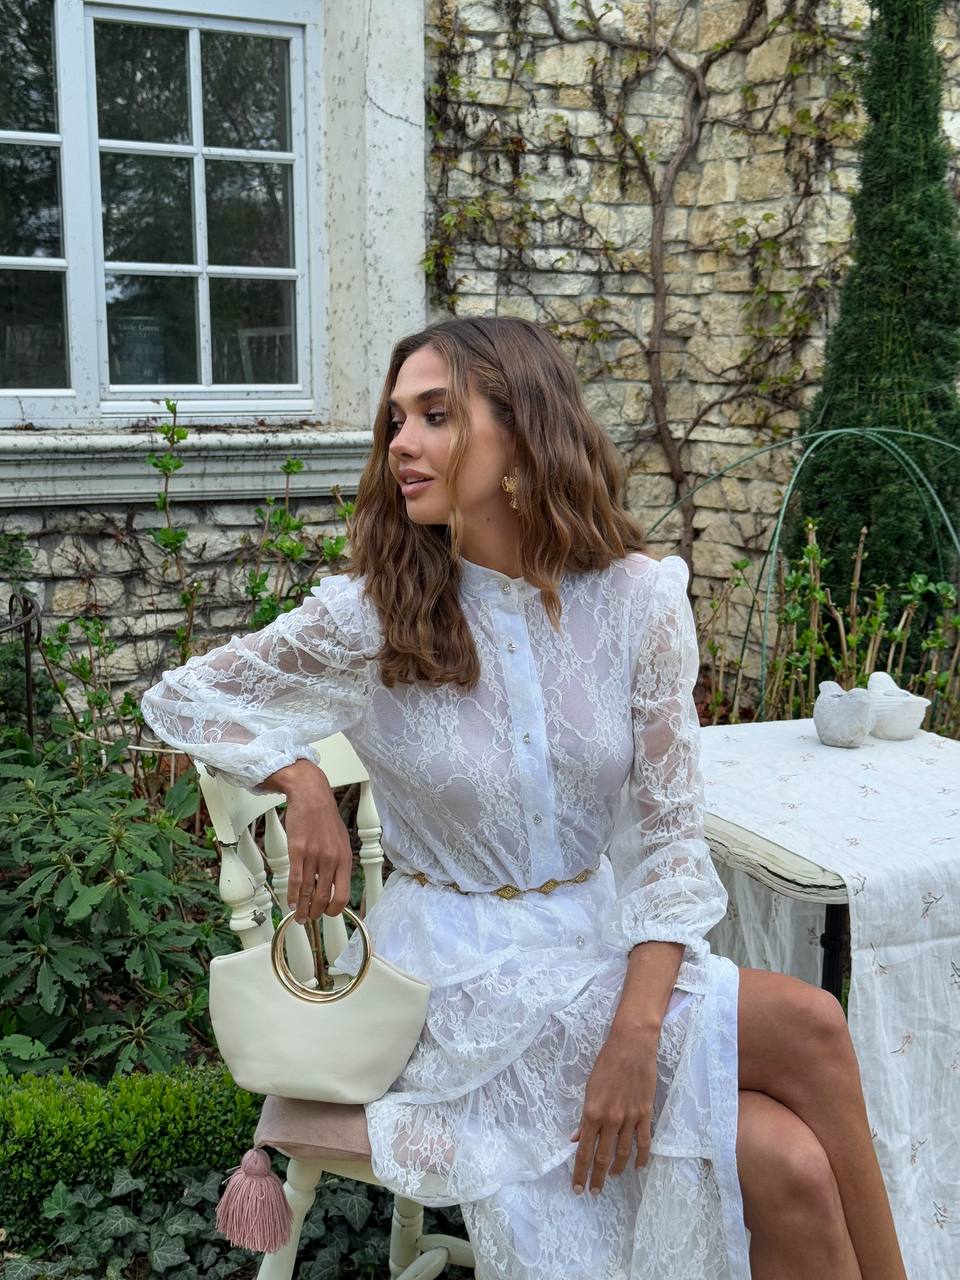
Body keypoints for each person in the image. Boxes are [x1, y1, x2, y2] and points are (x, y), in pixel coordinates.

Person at [141, 317, 907, 1280]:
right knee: (812, 1025)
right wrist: (300, 779)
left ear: (524, 433)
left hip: (596, 948)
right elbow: (183, 697)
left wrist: (635, 1034)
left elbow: (670, 843)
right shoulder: (372, 615)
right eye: (396, 420)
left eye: (435, 416)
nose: (402, 444)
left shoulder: (637, 602)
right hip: (452, 982)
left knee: (784, 1156)